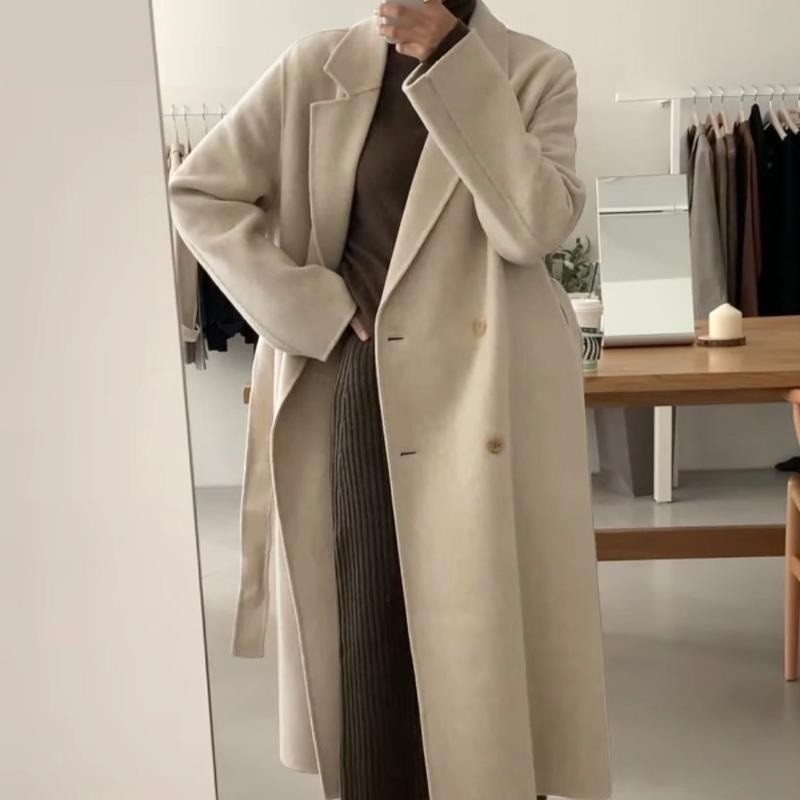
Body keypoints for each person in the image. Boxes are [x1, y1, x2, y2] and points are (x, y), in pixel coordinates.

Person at [168, 2, 612, 799]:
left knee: (486, 645)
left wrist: (453, 60)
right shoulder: (317, 66)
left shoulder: (533, 71)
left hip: (488, 394)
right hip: (362, 386)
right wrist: (313, 307)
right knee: (373, 640)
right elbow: (199, 191)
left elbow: (530, 228)